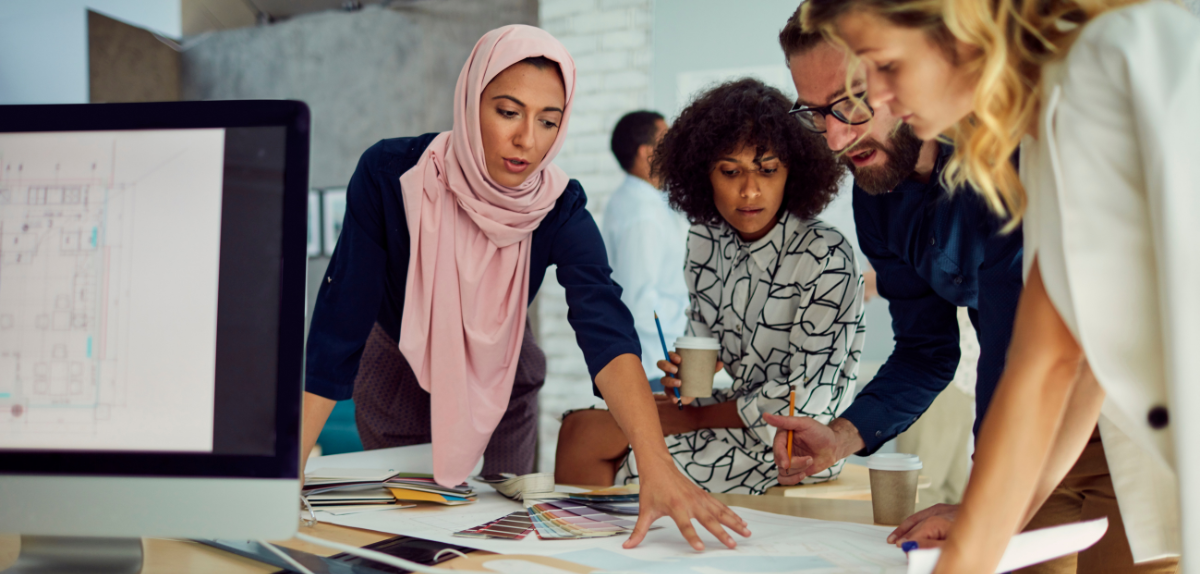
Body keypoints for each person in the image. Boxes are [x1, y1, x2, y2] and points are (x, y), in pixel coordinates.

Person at [302, 24, 749, 551]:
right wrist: (288, 470)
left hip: (504, 384)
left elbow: (603, 323)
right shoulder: (391, 174)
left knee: (494, 543)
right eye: (508, 112)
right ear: (471, 102)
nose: (527, 141)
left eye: (548, 121)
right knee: (413, 546)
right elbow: (340, 322)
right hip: (401, 377)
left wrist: (656, 466)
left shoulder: (558, 204)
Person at [801, 0, 1199, 572]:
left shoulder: (1105, 65)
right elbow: (1059, 361)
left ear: (957, 27)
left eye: (884, 67)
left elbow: (1048, 363)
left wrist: (975, 540)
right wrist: (983, 536)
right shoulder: (1039, 134)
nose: (878, 99)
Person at [555, 78, 864, 495]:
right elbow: (703, 343)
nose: (750, 189)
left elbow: (806, 402)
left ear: (794, 171)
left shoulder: (826, 255)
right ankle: (577, 547)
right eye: (730, 171)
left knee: (631, 461)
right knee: (580, 428)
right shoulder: (705, 237)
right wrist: (685, 379)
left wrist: (695, 417)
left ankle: (609, 550)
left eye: (768, 170)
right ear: (704, 173)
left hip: (791, 442)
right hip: (725, 411)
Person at [764, 10, 1023, 498]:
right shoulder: (877, 199)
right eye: (816, 113)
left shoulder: (1007, 160)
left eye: (852, 102)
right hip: (1032, 431)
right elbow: (927, 350)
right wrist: (842, 435)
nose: (836, 139)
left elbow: (1022, 348)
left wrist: (986, 494)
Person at [601, 110, 690, 391]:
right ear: (646, 153)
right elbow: (640, 303)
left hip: (657, 361)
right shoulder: (641, 214)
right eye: (667, 140)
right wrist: (692, 317)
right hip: (655, 365)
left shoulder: (642, 200)